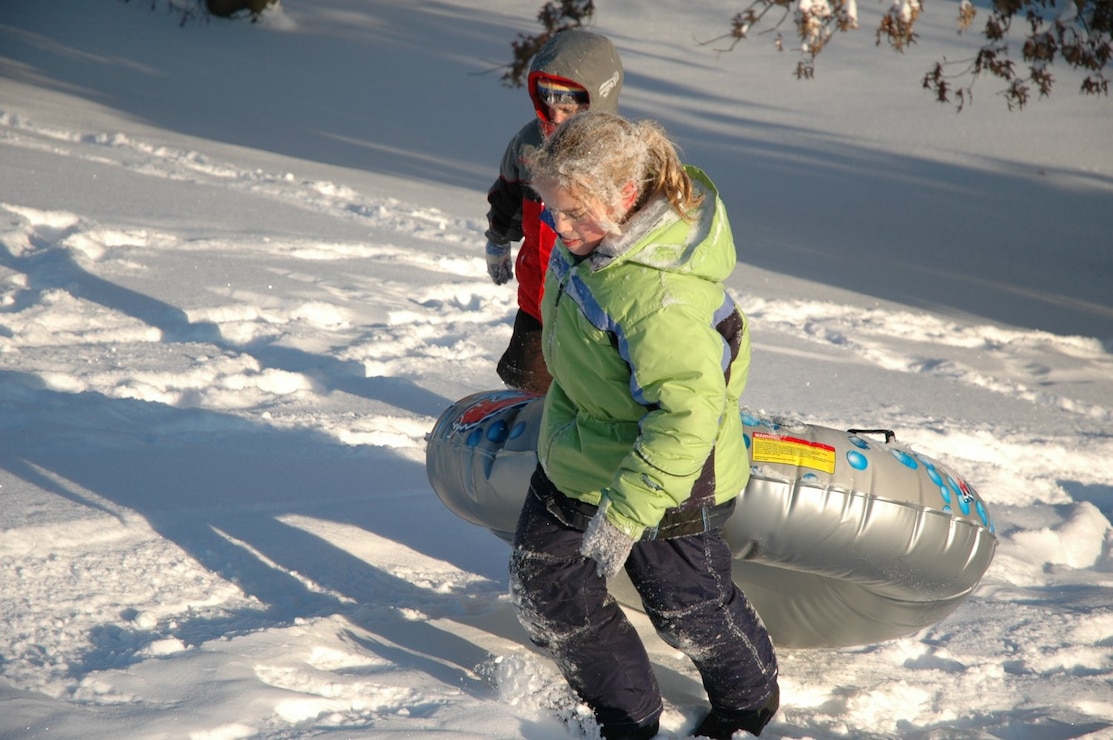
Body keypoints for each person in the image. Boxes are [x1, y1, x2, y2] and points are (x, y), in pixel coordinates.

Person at [507, 112, 780, 740]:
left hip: (671, 480)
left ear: (626, 199)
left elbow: (686, 418)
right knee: (545, 583)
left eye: (574, 213)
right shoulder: (589, 243)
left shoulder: (660, 298)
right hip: (580, 451)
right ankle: (625, 712)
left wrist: (628, 513)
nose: (558, 225)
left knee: (688, 608)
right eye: (551, 209)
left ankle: (748, 703)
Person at [484, 29, 623, 394]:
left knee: (594, 388)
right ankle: (529, 436)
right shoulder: (530, 143)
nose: (556, 116)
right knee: (529, 380)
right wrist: (497, 242)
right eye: (548, 104)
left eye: (568, 107)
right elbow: (507, 199)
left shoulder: (618, 154)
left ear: (597, 98)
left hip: (597, 306)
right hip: (538, 297)